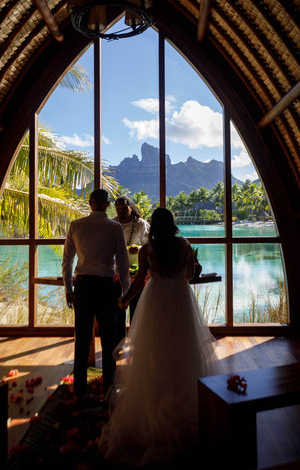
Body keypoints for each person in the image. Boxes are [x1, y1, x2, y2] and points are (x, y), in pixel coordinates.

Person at [98, 208, 220, 468]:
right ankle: (182, 399)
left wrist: (125, 299)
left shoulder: (146, 251)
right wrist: (186, 271)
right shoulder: (184, 245)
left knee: (153, 353)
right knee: (183, 350)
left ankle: (154, 401)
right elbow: (189, 274)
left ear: (152, 226)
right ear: (173, 224)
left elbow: (141, 281)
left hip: (155, 301)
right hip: (178, 299)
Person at [62, 189, 131, 399]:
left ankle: (80, 390)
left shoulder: (76, 225)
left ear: (90, 203)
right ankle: (108, 389)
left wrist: (68, 288)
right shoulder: (115, 228)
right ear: (108, 204)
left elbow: (67, 261)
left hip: (83, 287)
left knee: (82, 339)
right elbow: (122, 263)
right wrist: (126, 293)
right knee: (109, 340)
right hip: (106, 288)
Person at [113, 196, 150, 334]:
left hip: (137, 274)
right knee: (118, 311)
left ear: (131, 208)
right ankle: (119, 343)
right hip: (116, 274)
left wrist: (140, 249)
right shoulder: (112, 224)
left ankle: (136, 343)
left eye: (123, 208)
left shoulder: (141, 224)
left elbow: (150, 244)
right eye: (118, 209)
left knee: (137, 311)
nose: (121, 211)